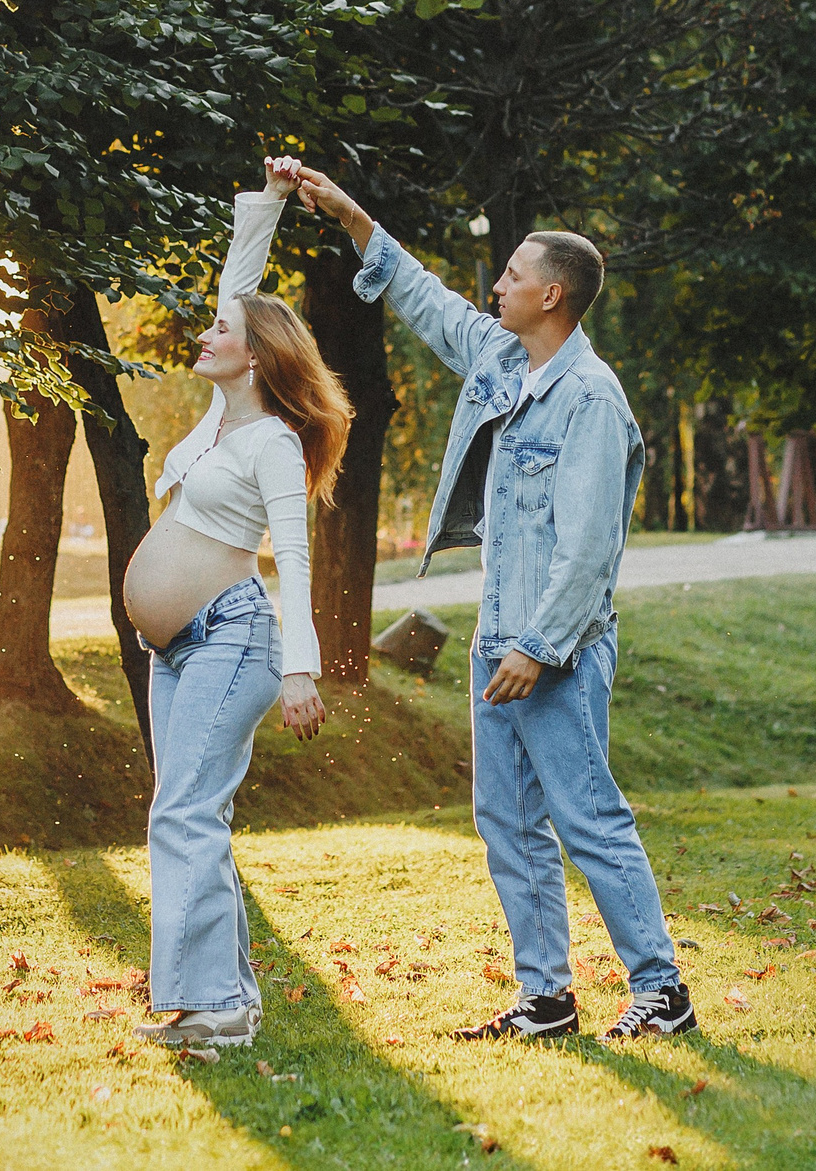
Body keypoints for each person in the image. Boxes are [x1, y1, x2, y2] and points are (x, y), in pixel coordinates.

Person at [289, 167, 694, 1041]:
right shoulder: (504, 360)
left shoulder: (590, 399)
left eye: (512, 274)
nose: (496, 285)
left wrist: (540, 647)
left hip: (561, 649)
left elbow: (590, 549)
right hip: (498, 641)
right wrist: (352, 212)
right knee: (507, 822)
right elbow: (425, 298)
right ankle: (546, 998)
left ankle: (663, 989)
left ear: (553, 293)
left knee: (587, 818)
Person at [123, 158, 351, 1050]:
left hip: (234, 639)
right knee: (184, 811)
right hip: (176, 648)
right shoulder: (216, 423)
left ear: (256, 352)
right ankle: (227, 998)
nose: (205, 333)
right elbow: (237, 286)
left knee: (183, 812)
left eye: (225, 331)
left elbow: (293, 559)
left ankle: (212, 1008)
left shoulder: (274, 446)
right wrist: (267, 201)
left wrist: (303, 667)